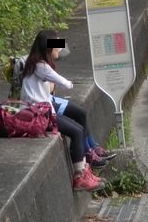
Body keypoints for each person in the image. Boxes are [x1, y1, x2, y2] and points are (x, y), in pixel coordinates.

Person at [21, 30, 113, 191]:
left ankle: (85, 169)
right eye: (56, 45)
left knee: (78, 124)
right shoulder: (41, 66)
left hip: (41, 108)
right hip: (39, 113)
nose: (59, 49)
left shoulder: (36, 62)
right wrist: (70, 83)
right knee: (76, 132)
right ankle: (80, 176)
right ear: (47, 47)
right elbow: (64, 83)